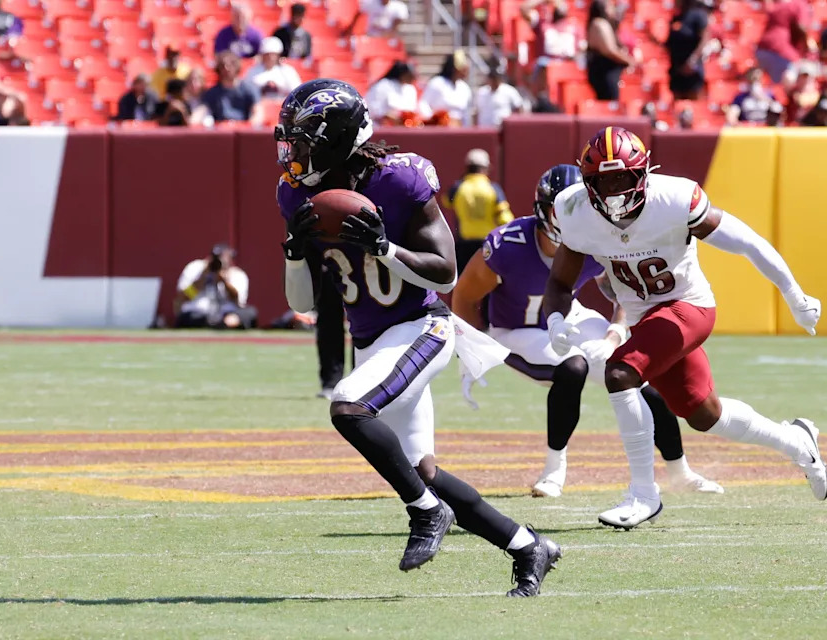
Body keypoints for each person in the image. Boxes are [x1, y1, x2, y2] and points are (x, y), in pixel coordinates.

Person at [277, 78, 561, 596]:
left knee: (348, 406)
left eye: (302, 140)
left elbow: (447, 273)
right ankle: (527, 545)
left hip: (422, 327)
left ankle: (428, 515)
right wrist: (294, 251)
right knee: (421, 469)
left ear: (336, 138)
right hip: (372, 341)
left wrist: (386, 249)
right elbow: (301, 304)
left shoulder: (400, 180)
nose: (292, 151)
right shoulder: (295, 191)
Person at [545, 127, 827, 530]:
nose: (612, 192)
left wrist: (795, 295)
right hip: (647, 318)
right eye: (602, 181)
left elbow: (748, 242)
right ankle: (799, 443)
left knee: (620, 372)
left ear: (642, 174)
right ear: (586, 183)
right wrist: (556, 319)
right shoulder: (574, 212)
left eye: (620, 179)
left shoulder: (675, 199)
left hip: (688, 305)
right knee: (704, 414)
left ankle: (643, 494)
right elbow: (559, 283)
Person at [451, 164, 723, 497]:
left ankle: (680, 471)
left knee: (642, 375)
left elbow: (625, 290)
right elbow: (465, 294)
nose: (571, 219)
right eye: (562, 211)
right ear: (543, 211)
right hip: (514, 328)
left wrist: (615, 332)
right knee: (573, 366)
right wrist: (472, 349)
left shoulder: (598, 236)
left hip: (568, 318)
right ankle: (553, 471)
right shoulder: (509, 245)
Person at [442, 148, 513, 274]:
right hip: (487, 243)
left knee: (464, 281)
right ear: (486, 168)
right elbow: (505, 219)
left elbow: (446, 201)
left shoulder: (459, 187)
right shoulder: (493, 188)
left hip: (464, 243)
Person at [175, 244, 257, 329]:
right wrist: (202, 278)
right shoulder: (196, 268)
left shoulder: (237, 274)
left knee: (249, 312)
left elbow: (238, 301)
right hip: (199, 313)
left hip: (225, 314)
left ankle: (223, 324)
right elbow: (182, 298)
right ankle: (214, 324)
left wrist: (224, 281)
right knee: (189, 317)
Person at [586, 0, 636, 100]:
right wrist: (628, 60)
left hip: (607, 72)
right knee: (609, 101)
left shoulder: (606, 24)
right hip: (604, 72)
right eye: (610, 6)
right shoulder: (599, 23)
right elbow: (609, 50)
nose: (613, 9)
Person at [756, 0, 814, 85]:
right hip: (781, 50)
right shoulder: (798, 4)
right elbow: (801, 27)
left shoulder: (778, 3)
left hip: (762, 48)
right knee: (785, 87)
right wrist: (806, 46)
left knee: (769, 85)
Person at [194, 52, 261, 125]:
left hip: (242, 130)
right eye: (223, 66)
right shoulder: (212, 92)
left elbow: (258, 113)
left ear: (236, 66)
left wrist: (249, 127)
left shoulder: (249, 89)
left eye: (231, 65)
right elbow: (201, 110)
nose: (226, 68)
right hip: (220, 132)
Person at [666, 0, 714, 100]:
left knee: (694, 104)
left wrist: (693, 59)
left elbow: (704, 39)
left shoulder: (698, 16)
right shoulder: (676, 18)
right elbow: (669, 44)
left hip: (692, 70)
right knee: (678, 105)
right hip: (677, 69)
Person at [419, 51, 473, 126]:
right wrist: (434, 120)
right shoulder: (437, 82)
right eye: (463, 68)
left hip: (459, 130)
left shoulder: (465, 88)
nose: (466, 71)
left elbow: (466, 114)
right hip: (440, 129)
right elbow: (423, 103)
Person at [245, 37, 301, 103]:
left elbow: (297, 92)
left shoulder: (287, 71)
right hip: (260, 107)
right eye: (267, 54)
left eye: (273, 54)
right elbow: (247, 91)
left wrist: (278, 86)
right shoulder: (253, 71)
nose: (270, 57)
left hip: (283, 107)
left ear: (278, 55)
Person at [364, 60, 419, 125]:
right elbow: (373, 108)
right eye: (409, 75)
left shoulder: (410, 88)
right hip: (381, 126)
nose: (412, 78)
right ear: (402, 74)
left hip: (405, 126)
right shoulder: (383, 85)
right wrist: (388, 116)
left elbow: (412, 109)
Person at [343, 0, 409, 38]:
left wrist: (387, 36)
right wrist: (349, 30)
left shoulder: (398, 7)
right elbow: (357, 15)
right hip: (370, 36)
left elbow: (395, 27)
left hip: (387, 38)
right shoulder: (370, 3)